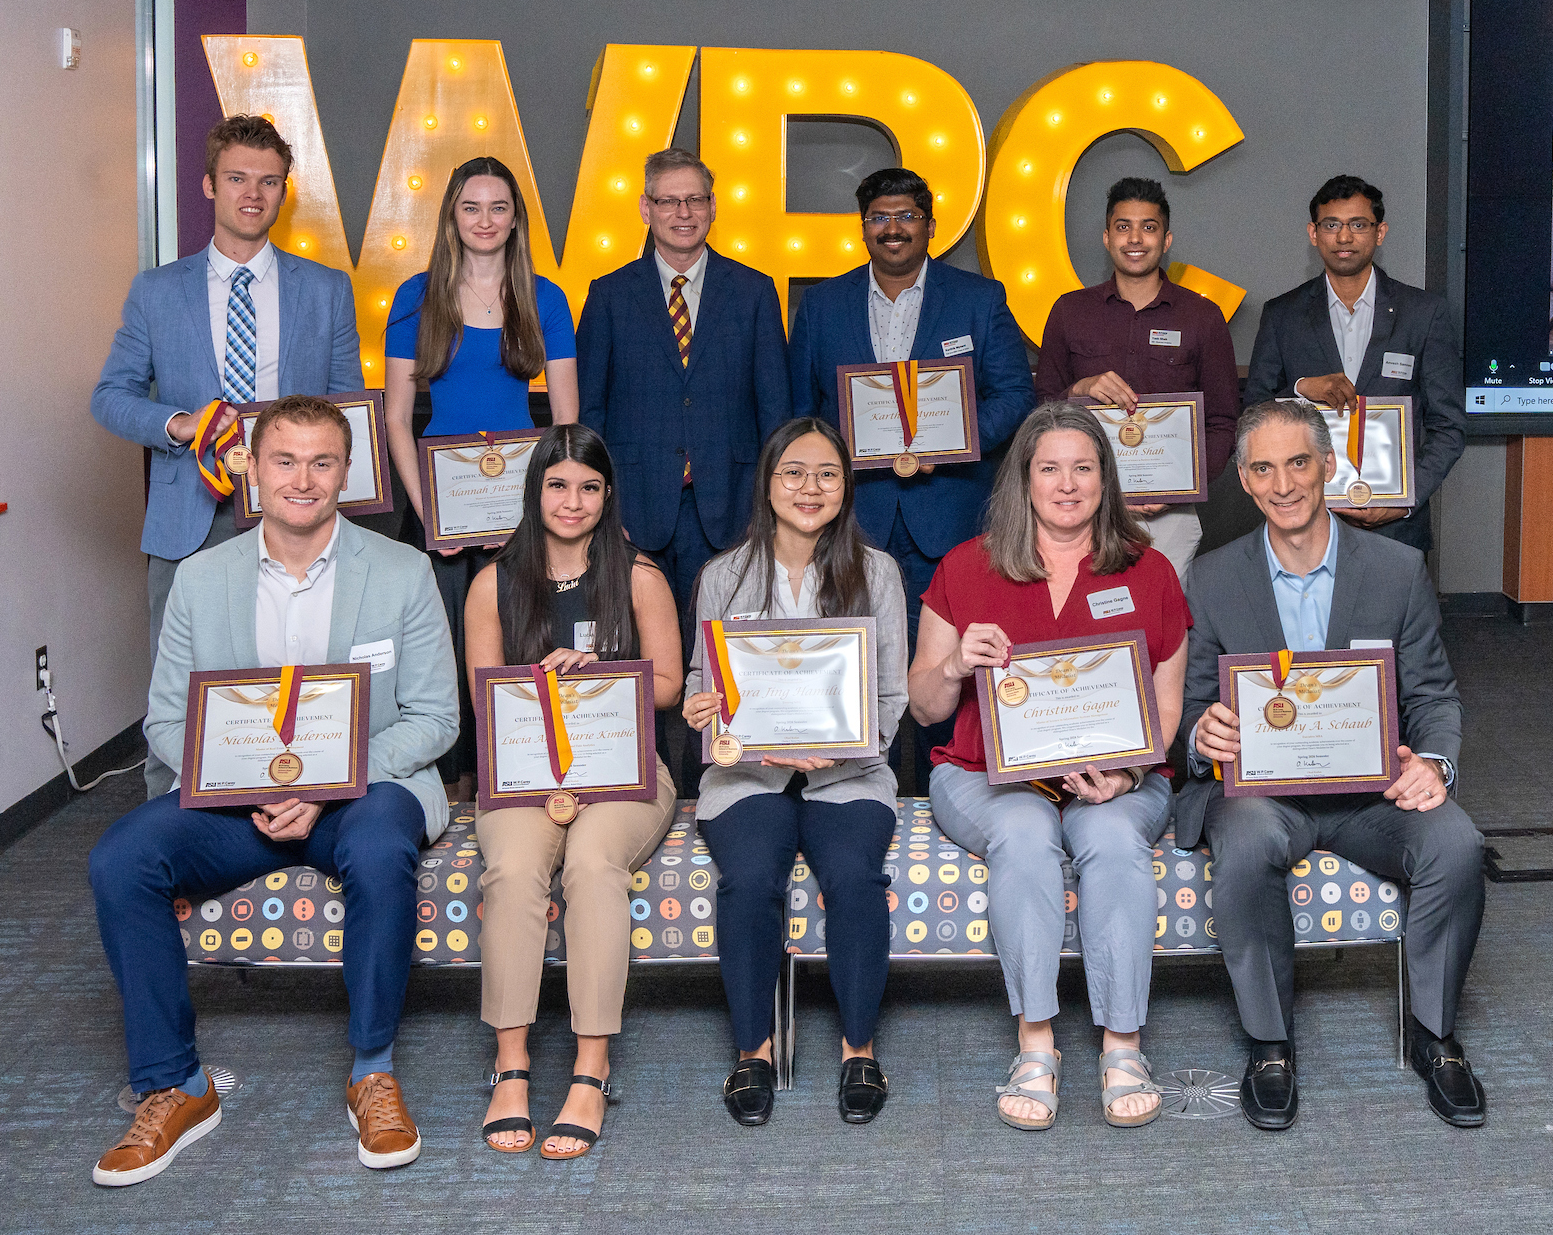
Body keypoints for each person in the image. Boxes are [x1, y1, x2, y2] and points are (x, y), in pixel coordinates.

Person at [87, 396, 458, 1186]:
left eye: (322, 461)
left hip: (362, 795)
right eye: (283, 460)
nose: (303, 478)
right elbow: (166, 720)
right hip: (237, 806)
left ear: (346, 472)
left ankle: (372, 1070)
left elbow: (435, 718)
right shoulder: (201, 578)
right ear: (250, 469)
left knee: (382, 841)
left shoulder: (401, 572)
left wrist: (330, 785)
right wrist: (238, 789)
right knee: (120, 859)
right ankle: (175, 1085)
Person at [1174, 399, 1486, 1130]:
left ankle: (1434, 1034)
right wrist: (1201, 734)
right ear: (1246, 483)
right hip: (1264, 796)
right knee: (1246, 838)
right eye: (1263, 468)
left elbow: (1433, 694)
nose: (1283, 484)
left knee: (1457, 843)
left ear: (1329, 467)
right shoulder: (1213, 577)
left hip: (1370, 793)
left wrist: (1434, 763)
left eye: (1298, 463)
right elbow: (1189, 706)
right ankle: (1270, 1042)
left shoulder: (1398, 570)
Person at [907, 403, 1187, 1130]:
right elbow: (925, 708)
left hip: (1118, 779)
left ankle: (1122, 1043)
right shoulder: (964, 568)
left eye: (1084, 468)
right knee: (1028, 837)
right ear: (1023, 479)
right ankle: (1036, 1044)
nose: (1068, 484)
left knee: (1114, 838)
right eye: (1050, 468)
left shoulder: (1150, 571)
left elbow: (1164, 708)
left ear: (1106, 477)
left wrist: (1126, 775)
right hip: (983, 775)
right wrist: (956, 664)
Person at [679, 418, 909, 1128]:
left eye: (827, 474)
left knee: (854, 876)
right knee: (749, 879)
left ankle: (858, 1049)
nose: (810, 488)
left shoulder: (878, 573)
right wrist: (706, 715)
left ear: (846, 485)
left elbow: (891, 696)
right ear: (768, 483)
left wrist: (841, 748)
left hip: (849, 775)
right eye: (794, 473)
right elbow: (700, 683)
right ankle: (753, 1050)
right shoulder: (724, 575)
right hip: (749, 776)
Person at [462, 424, 680, 1160]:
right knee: (515, 869)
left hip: (624, 772)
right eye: (557, 484)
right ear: (535, 490)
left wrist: (603, 676)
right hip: (526, 775)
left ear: (606, 494)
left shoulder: (640, 576)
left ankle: (591, 1066)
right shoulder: (492, 583)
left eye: (589, 486)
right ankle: (513, 1062)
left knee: (591, 865)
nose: (573, 500)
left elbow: (675, 683)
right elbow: (484, 701)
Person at [789, 166, 1035, 790]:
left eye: (905, 216)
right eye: (879, 218)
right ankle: (850, 792)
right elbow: (802, 412)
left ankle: (940, 798)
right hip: (853, 520)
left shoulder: (980, 299)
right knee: (855, 667)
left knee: (942, 671)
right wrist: (837, 455)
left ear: (929, 224)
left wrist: (949, 445)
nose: (892, 229)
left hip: (949, 519)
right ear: (863, 227)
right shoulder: (821, 305)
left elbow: (1015, 395)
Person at [93, 114, 362, 649]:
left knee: (297, 669)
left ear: (284, 192)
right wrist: (180, 422)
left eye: (268, 181)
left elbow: (347, 409)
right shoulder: (157, 291)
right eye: (237, 178)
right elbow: (110, 398)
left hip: (296, 508)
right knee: (184, 682)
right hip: (190, 512)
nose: (253, 194)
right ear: (210, 185)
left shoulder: (327, 290)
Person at [577, 146, 791, 792]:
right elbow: (590, 413)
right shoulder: (609, 295)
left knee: (723, 656)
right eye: (667, 200)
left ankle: (722, 786)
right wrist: (599, 510)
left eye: (695, 199)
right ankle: (648, 784)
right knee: (643, 660)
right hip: (636, 513)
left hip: (729, 511)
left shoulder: (753, 291)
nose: (682, 212)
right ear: (645, 208)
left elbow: (776, 410)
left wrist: (769, 511)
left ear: (713, 207)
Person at [384, 157, 578, 796]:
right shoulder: (417, 295)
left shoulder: (544, 296)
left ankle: (514, 778)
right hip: (437, 505)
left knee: (516, 646)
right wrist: (429, 516)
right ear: (451, 216)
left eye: (498, 208)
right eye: (471, 207)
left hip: (521, 509)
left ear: (516, 218)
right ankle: (443, 787)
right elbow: (394, 419)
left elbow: (567, 424)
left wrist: (540, 508)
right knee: (440, 654)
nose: (485, 220)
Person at [1241, 174, 1466, 554]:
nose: (1344, 238)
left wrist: (1404, 498)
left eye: (1358, 225)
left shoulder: (1423, 314)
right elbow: (1254, 414)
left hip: (1397, 531)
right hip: (1304, 521)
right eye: (1332, 225)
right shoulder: (1283, 314)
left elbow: (1449, 427)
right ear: (1314, 233)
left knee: (1394, 616)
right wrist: (1300, 390)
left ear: (1380, 233)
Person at [1034, 176, 1239, 583]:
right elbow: (1040, 412)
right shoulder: (1070, 311)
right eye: (1123, 226)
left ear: (1166, 240)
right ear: (1106, 236)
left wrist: (1179, 486)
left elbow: (1222, 423)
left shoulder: (1201, 317)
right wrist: (1079, 389)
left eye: (1149, 227)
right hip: (1081, 510)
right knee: (1090, 626)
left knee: (1164, 631)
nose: (1135, 238)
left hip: (1170, 518)